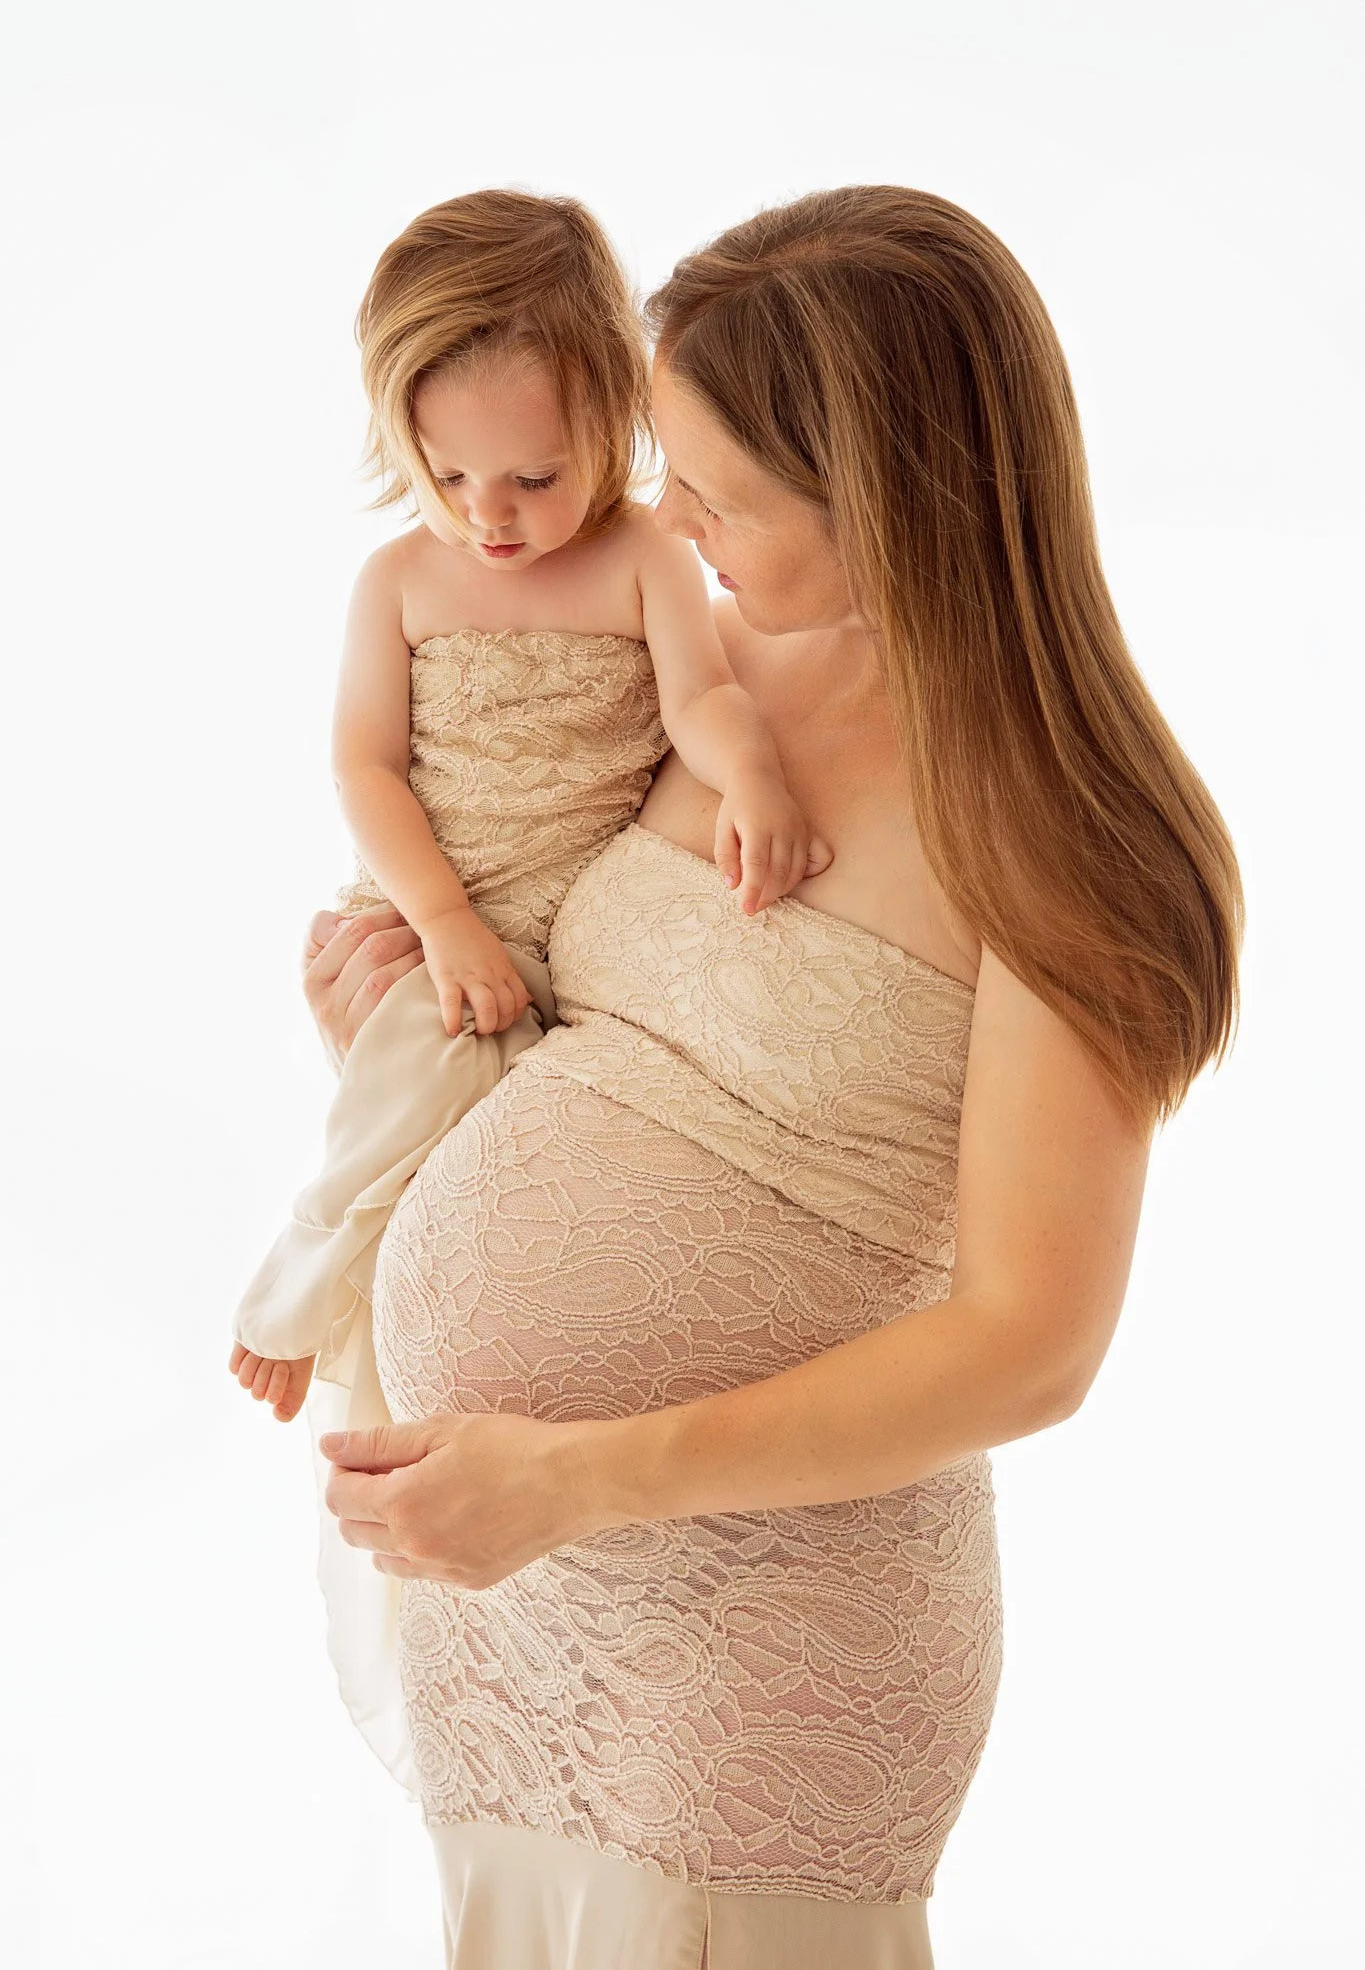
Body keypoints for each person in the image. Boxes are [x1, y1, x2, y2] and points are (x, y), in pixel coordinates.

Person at [301, 186, 1244, 1968]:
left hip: (760, 1651)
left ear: (883, 493)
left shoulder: (1066, 837)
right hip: (518, 1604)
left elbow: (1030, 1344)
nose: (665, 518)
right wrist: (409, 1039)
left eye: (719, 491)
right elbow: (626, 1054)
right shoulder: (704, 675)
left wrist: (577, 1474)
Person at [229, 188, 827, 1424]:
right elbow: (364, 768)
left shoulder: (645, 560)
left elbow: (700, 701)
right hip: (430, 902)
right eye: (446, 473)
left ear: (614, 423)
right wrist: (445, 921)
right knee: (418, 1069)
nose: (487, 516)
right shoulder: (401, 578)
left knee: (496, 1159)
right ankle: (301, 1274)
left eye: (532, 476)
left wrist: (755, 772)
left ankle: (405, 1321)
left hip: (566, 932)